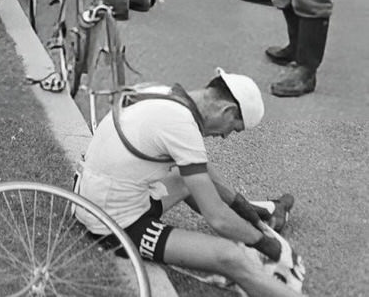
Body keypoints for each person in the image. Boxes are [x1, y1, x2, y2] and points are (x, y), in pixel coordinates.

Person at [74, 70, 302, 297]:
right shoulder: (181, 126)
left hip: (88, 195)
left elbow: (199, 167)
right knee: (230, 257)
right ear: (227, 111)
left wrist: (241, 206)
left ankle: (261, 211)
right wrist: (265, 244)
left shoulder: (164, 93)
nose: (225, 136)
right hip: (113, 224)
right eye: (233, 129)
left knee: (189, 178)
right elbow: (218, 218)